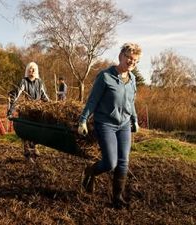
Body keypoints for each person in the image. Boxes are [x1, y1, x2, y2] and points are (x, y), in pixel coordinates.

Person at [78, 43, 141, 208]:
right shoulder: (105, 76)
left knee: (124, 161)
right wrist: (83, 119)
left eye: (135, 60)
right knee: (110, 162)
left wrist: (134, 119)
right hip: (105, 123)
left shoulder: (132, 79)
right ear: (120, 56)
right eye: (128, 57)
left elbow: (131, 102)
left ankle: (117, 198)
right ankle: (90, 171)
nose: (131, 62)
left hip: (124, 124)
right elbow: (93, 100)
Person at [7, 62, 50, 159]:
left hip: (37, 109)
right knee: (26, 129)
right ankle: (26, 148)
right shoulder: (23, 81)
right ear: (27, 70)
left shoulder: (40, 82)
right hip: (27, 109)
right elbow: (16, 95)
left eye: (34, 69)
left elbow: (45, 96)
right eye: (31, 69)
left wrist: (52, 106)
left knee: (37, 129)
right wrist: (11, 110)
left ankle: (34, 146)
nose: (32, 71)